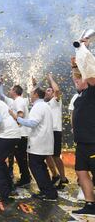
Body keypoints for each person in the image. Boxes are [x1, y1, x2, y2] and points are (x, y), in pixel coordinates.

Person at [9, 87, 58, 201]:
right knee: (40, 167)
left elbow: (32, 123)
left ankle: (48, 192)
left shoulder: (38, 106)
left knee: (36, 166)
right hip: (44, 142)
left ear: (36, 94)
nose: (30, 96)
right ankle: (48, 191)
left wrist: (16, 118)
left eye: (31, 93)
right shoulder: (44, 106)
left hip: (38, 143)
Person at [70, 46, 95, 215]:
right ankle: (90, 204)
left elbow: (92, 76)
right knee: (81, 171)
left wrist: (83, 50)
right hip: (82, 143)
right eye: (74, 79)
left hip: (93, 141)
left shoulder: (93, 91)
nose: (76, 82)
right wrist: (74, 67)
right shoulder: (80, 97)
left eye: (79, 79)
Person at [0, 78, 32, 187]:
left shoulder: (19, 101)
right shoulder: (17, 101)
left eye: (11, 89)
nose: (10, 91)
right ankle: (25, 177)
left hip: (21, 134)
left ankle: (26, 178)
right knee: (20, 158)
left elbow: (20, 116)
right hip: (20, 134)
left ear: (15, 91)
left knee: (21, 158)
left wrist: (11, 114)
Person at [42, 74, 69, 189]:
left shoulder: (56, 101)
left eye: (49, 90)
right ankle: (55, 176)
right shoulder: (44, 103)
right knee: (47, 155)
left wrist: (51, 79)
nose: (47, 92)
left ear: (53, 94)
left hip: (55, 131)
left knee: (56, 156)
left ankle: (63, 179)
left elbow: (57, 89)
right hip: (47, 132)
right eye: (46, 90)